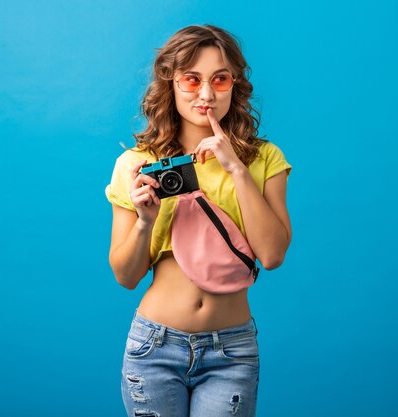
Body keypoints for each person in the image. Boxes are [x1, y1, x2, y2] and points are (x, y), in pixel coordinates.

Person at [106, 24, 292, 417]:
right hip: (154, 347)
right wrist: (145, 220)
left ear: (234, 86)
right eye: (192, 79)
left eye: (219, 79)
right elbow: (126, 276)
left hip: (231, 350)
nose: (206, 94)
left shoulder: (264, 159)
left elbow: (272, 255)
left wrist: (237, 169)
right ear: (170, 83)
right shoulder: (137, 165)